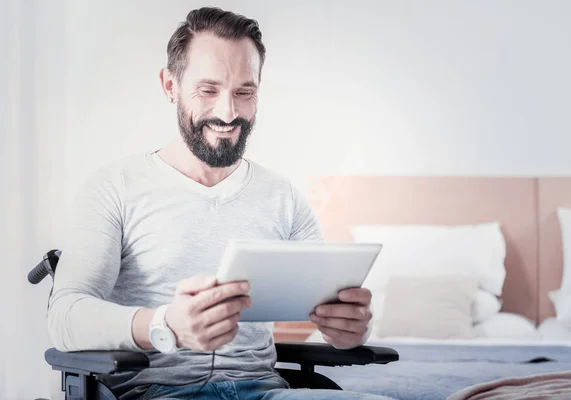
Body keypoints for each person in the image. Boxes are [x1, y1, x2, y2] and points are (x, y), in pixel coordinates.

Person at [48, 7, 385, 400]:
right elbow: (65, 316)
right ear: (170, 85)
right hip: (157, 393)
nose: (228, 113)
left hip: (266, 391)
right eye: (208, 90)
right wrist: (165, 324)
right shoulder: (114, 187)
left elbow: (332, 309)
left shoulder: (284, 197)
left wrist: (350, 329)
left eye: (244, 92)